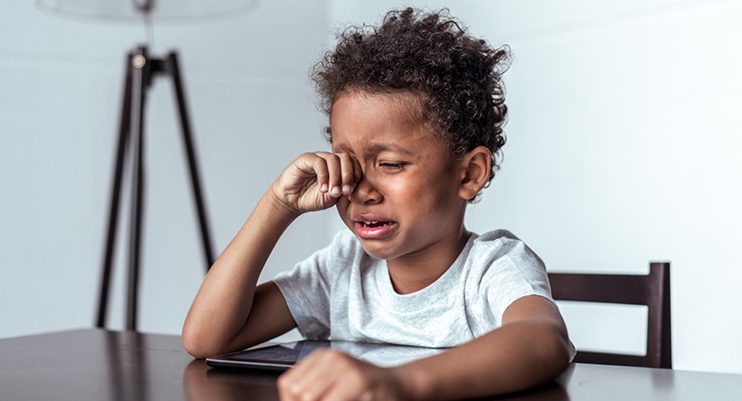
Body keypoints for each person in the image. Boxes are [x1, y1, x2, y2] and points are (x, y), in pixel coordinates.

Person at [183, 7, 574, 401]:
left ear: (469, 174)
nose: (362, 190)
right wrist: (277, 205)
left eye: (390, 164)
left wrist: (398, 382)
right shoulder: (342, 270)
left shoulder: (493, 268)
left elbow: (543, 340)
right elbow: (207, 339)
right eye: (348, 163)